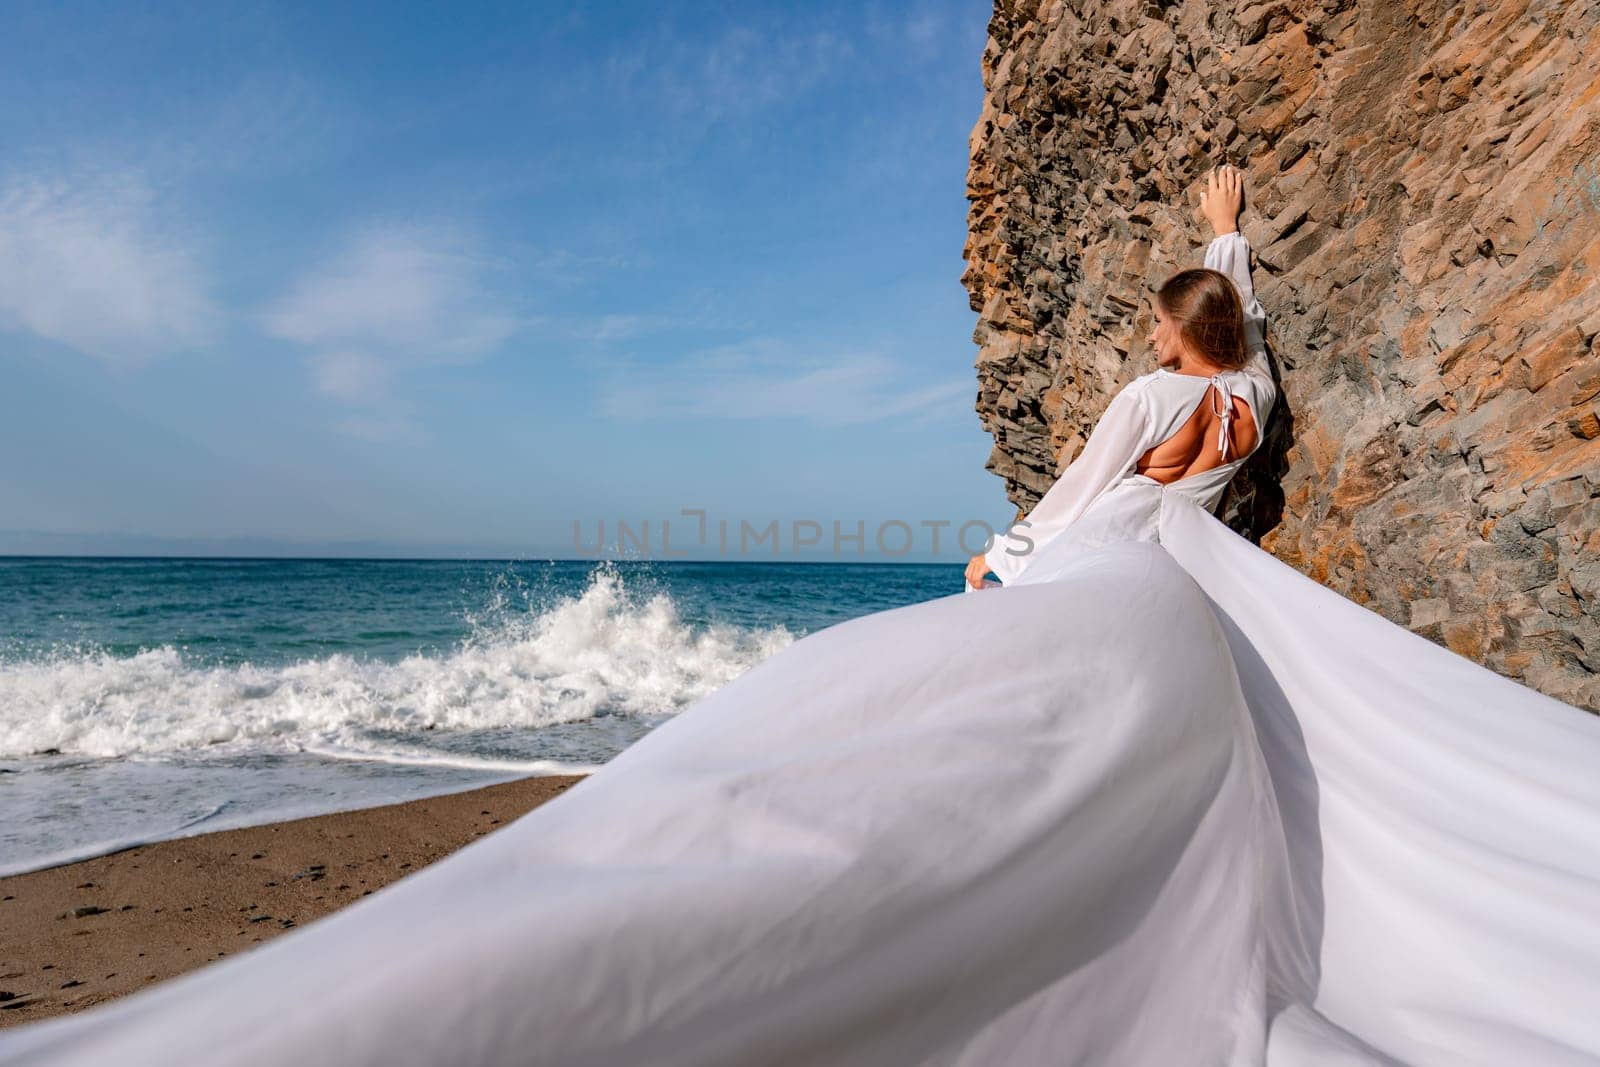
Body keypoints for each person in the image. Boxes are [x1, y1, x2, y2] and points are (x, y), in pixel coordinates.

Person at [4, 171, 1600, 1066]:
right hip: (1194, 589)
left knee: (892, 725)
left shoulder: (1143, 393)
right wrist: (1229, 233)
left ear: (1164, 338)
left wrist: (995, 562)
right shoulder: (1249, 398)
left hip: (1108, 572)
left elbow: (1076, 496)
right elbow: (1236, 344)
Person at [965, 164, 1275, 593]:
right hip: (1179, 562)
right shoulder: (1256, 393)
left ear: (1185, 327)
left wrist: (1003, 553)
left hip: (1104, 548)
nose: (1151, 334)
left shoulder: (1149, 397)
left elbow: (1082, 484)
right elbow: (1245, 320)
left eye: (1158, 322)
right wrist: (1225, 232)